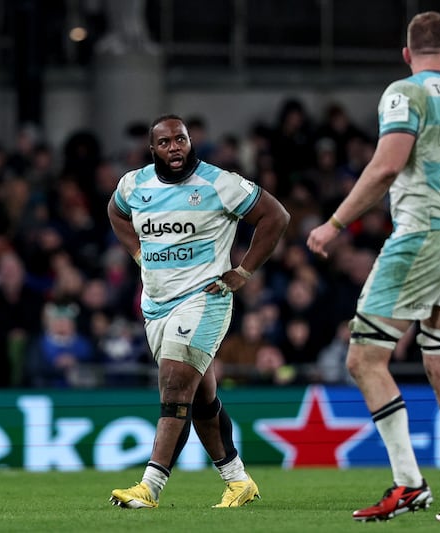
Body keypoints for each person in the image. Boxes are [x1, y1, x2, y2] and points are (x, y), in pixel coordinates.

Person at [306, 12, 440, 523]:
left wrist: (334, 224)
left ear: (407, 54)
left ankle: (408, 483)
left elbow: (385, 166)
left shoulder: (406, 93)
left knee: (363, 359)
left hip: (423, 234)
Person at [107, 114, 290, 509]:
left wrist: (243, 271)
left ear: (191, 142)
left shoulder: (219, 183)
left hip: (204, 299)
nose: (175, 147)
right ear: (152, 149)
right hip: (156, 306)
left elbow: (276, 216)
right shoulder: (134, 184)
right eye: (166, 142)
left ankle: (149, 486)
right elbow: (116, 212)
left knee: (174, 384)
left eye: (181, 139)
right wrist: (138, 253)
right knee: (201, 397)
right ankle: (238, 481)